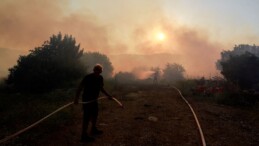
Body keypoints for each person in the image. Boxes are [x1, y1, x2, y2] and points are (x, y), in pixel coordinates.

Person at [74, 64, 112, 143]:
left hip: (94, 100)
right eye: (96, 71)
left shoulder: (100, 78)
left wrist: (108, 95)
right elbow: (80, 87)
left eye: (99, 71)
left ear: (100, 72)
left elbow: (101, 88)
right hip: (87, 100)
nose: (97, 73)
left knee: (95, 114)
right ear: (94, 70)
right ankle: (83, 136)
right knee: (86, 117)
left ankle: (93, 129)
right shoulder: (87, 77)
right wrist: (76, 98)